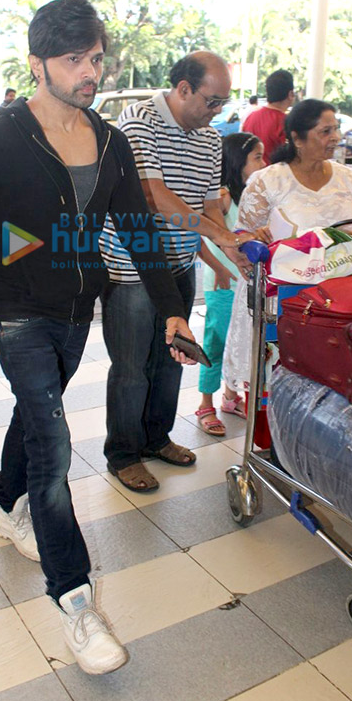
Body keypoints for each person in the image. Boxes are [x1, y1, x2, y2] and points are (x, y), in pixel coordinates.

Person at [0, 0, 197, 677]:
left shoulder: (109, 140)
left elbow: (136, 230)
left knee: (33, 410)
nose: (89, 73)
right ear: (37, 62)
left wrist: (169, 308)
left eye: (96, 59)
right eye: (74, 60)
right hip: (18, 309)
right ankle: (76, 603)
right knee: (53, 440)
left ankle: (0, 504)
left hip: (81, 309)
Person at [100, 51, 252, 491]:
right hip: (133, 267)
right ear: (183, 88)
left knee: (173, 359)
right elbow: (152, 195)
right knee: (131, 365)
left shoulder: (208, 139)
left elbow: (208, 207)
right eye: (212, 100)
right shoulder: (138, 120)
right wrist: (219, 237)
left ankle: (155, 438)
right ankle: (124, 453)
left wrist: (231, 250)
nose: (217, 111)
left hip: (181, 266)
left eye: (223, 103)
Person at [223, 98, 352, 394]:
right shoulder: (268, 180)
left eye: (336, 129)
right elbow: (243, 234)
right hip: (287, 300)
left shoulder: (349, 178)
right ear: (297, 138)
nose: (336, 138)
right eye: (325, 131)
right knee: (285, 387)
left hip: (342, 301)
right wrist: (255, 238)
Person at [195, 133, 265, 436]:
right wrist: (218, 270)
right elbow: (197, 234)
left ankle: (230, 397)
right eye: (257, 157)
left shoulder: (255, 197)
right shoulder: (222, 197)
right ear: (237, 162)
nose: (265, 163)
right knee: (216, 342)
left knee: (240, 342)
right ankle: (205, 404)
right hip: (222, 284)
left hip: (246, 285)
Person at [241, 69, 294, 165]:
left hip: (251, 177)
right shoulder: (286, 122)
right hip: (275, 176)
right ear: (290, 94)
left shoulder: (251, 117)